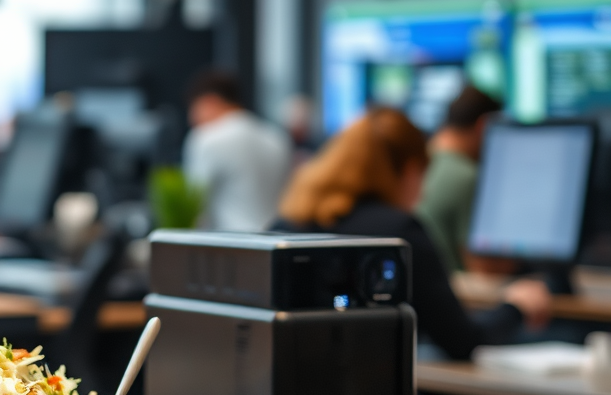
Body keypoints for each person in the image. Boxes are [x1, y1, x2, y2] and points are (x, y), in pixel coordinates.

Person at [275, 106, 551, 361]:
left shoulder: (286, 226)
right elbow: (461, 340)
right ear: (410, 169)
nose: (423, 192)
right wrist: (515, 307)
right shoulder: (397, 233)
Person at [183, 69, 292, 232]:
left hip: (230, 248)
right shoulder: (277, 137)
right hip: (274, 241)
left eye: (193, 109)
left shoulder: (206, 137)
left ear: (210, 102)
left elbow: (195, 211)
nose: (191, 118)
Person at [416, 85, 503, 275]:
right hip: (460, 297)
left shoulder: (416, 168)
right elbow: (482, 267)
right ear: (483, 126)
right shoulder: (467, 176)